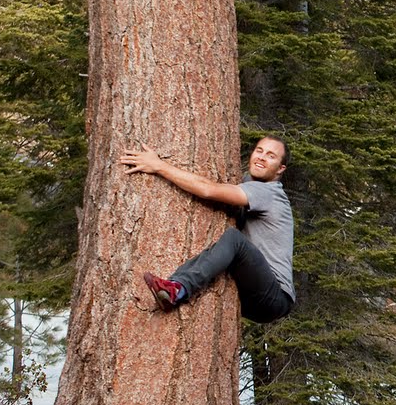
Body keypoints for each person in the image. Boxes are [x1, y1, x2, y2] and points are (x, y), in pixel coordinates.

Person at [121, 136, 295, 324]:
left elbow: (208, 190)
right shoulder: (249, 184)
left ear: (280, 168)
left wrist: (158, 166)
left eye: (271, 156)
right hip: (251, 294)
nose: (261, 157)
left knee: (234, 239)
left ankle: (178, 289)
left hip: (275, 297)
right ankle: (175, 286)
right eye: (259, 151)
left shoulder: (268, 193)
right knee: (225, 247)